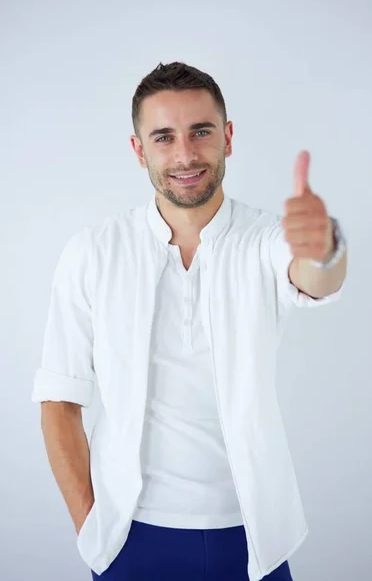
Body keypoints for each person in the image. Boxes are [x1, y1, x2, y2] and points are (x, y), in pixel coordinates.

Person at [32, 61, 348, 581]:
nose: (185, 155)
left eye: (201, 132)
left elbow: (316, 277)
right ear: (139, 150)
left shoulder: (267, 239)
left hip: (252, 538)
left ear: (227, 137)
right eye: (164, 137)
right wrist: (91, 525)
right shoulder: (93, 252)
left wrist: (325, 246)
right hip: (128, 537)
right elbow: (59, 401)